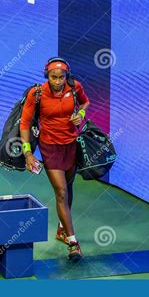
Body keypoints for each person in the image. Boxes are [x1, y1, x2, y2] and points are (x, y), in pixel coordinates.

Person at [19, 57, 90, 261]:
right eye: (53, 77)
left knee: (68, 187)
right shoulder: (37, 93)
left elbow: (85, 101)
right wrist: (28, 152)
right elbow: (24, 123)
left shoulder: (75, 87)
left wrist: (81, 113)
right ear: (46, 76)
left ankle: (62, 229)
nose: (58, 81)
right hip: (49, 147)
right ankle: (73, 243)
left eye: (61, 77)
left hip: (71, 144)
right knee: (60, 191)